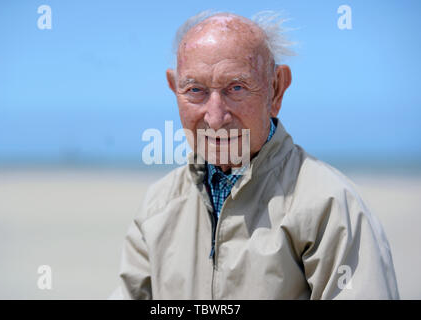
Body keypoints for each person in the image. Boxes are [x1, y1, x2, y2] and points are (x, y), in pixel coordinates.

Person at [111, 11, 399, 299]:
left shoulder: (329, 205)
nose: (215, 118)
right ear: (175, 89)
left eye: (236, 88)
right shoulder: (158, 207)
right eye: (195, 90)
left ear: (276, 89)